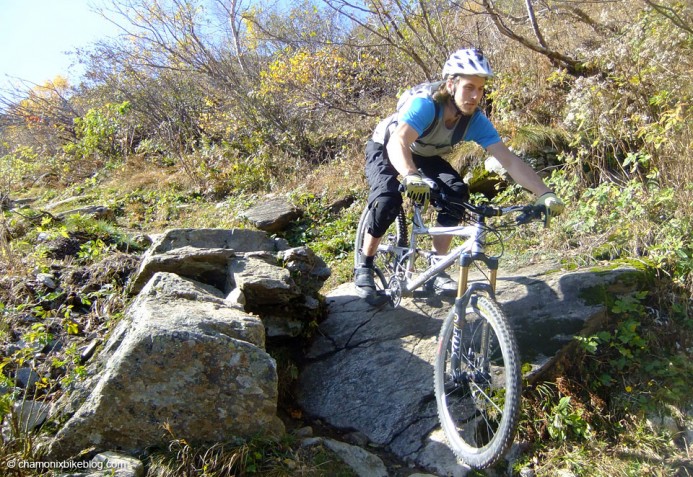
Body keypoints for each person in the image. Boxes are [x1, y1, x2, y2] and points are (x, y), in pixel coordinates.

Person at [354, 48, 564, 301]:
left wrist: (545, 193)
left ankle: (437, 268)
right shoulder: (426, 106)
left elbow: (508, 160)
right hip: (388, 145)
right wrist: (410, 175)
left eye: (481, 89)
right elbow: (398, 141)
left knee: (456, 193)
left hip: (425, 152)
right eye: (469, 87)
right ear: (451, 84)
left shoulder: (474, 120)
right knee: (388, 198)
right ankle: (364, 264)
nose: (476, 96)